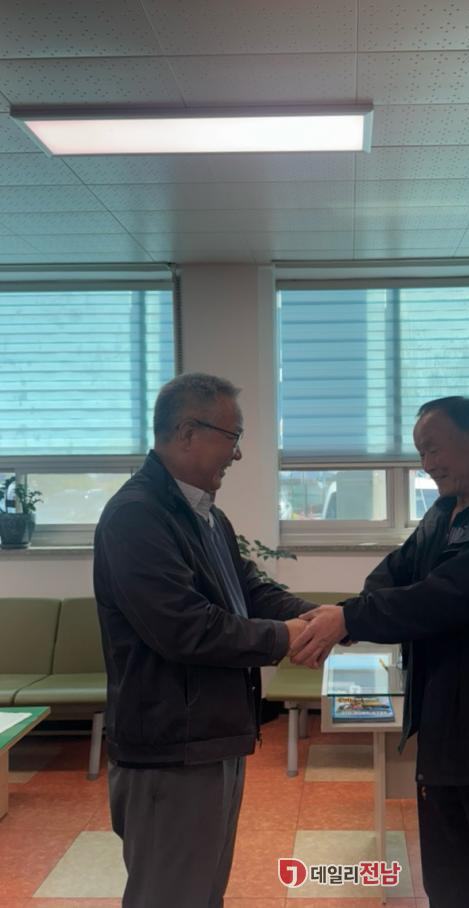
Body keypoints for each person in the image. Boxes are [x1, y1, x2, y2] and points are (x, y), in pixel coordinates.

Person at [290, 396, 469, 908]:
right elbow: (395, 573)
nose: (427, 463)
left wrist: (350, 619)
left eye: (435, 449)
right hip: (445, 736)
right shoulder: (442, 515)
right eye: (421, 452)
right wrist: (347, 615)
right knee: (448, 885)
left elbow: (446, 596)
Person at [93, 372, 313, 908]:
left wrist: (322, 618)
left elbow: (249, 590)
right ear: (188, 432)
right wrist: (286, 637)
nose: (237, 454)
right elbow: (186, 628)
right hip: (171, 748)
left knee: (203, 893)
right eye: (232, 437)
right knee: (170, 895)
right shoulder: (137, 516)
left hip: (213, 736)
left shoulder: (205, 515)